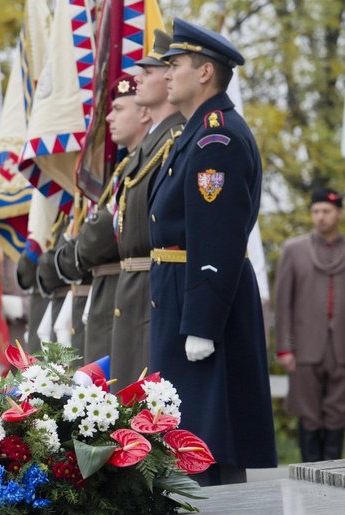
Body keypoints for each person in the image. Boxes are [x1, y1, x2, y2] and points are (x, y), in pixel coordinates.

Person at [148, 19, 277, 485]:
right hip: (182, 300)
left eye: (175, 64)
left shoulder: (215, 139)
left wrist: (201, 323)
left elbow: (217, 235)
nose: (166, 74)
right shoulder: (193, 134)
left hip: (201, 307)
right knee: (186, 440)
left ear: (205, 72)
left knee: (206, 445)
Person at [108, 29, 186, 388]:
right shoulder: (154, 144)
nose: (138, 77)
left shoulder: (173, 142)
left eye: (150, 70)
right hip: (133, 287)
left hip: (152, 289)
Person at [55, 74, 150, 364]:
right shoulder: (125, 165)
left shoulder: (148, 161)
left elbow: (99, 235)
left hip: (128, 295)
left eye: (119, 109)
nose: (108, 118)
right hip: (110, 294)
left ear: (145, 112)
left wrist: (83, 241)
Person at [274, 188, 345, 462]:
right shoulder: (295, 250)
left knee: (338, 412)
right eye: (315, 211)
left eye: (326, 211)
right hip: (304, 347)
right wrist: (284, 348)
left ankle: (335, 475)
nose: (320, 217)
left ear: (338, 212)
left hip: (340, 347)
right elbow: (283, 303)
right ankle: (309, 475)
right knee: (308, 412)